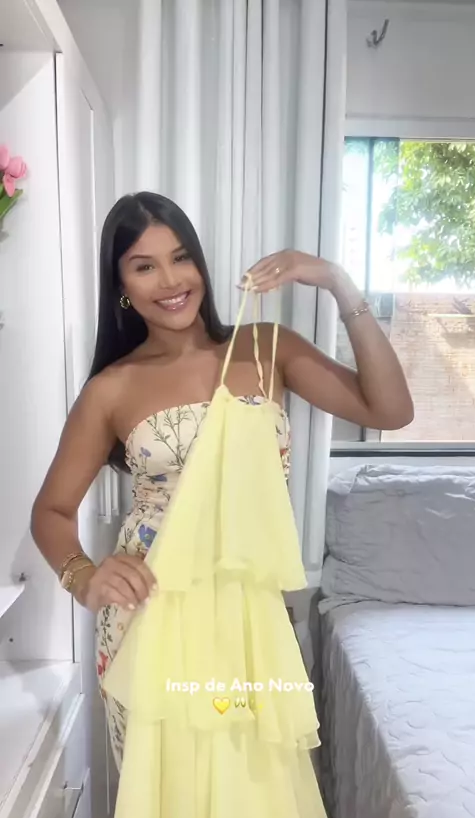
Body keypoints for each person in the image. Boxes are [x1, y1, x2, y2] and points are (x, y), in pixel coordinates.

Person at [31, 190, 413, 769]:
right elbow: (51, 512)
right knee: (164, 797)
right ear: (121, 288)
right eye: (144, 266)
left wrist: (339, 283)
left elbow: (391, 410)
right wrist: (83, 578)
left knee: (256, 795)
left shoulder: (265, 349)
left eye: (180, 257)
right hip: (150, 618)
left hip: (249, 616)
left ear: (200, 264)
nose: (170, 280)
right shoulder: (111, 388)